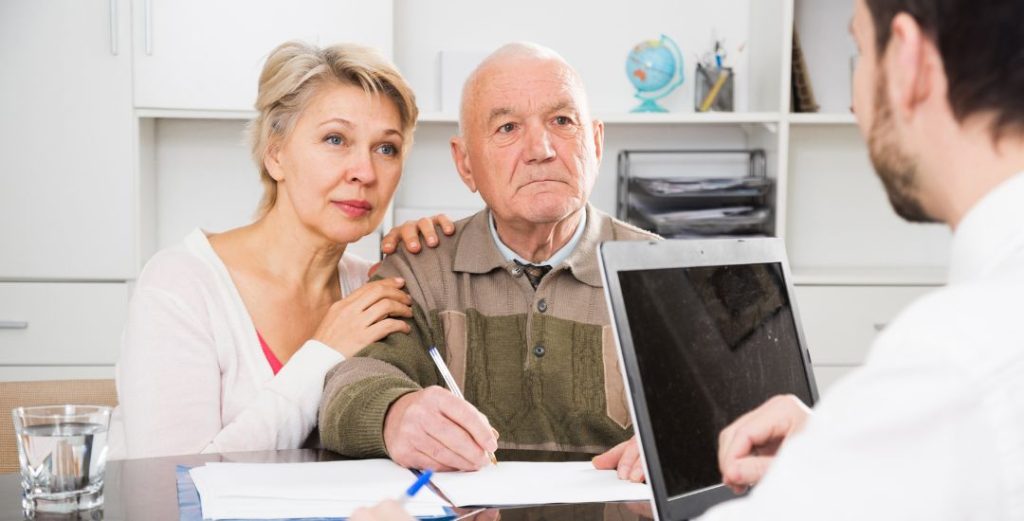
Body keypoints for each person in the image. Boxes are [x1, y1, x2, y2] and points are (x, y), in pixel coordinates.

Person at [601, 0, 1024, 519]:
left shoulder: (963, 352)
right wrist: (830, 446)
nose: (853, 104)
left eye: (859, 50)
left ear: (908, 63)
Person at [317, 42, 658, 472]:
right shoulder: (418, 269)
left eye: (562, 121)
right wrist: (395, 414)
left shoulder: (663, 273)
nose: (541, 148)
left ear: (595, 142)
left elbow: (740, 412)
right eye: (508, 128)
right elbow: (348, 386)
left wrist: (687, 441)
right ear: (465, 165)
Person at [110, 41, 448, 459]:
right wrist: (324, 354)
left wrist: (436, 263)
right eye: (335, 139)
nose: (365, 172)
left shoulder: (373, 289)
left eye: (386, 149)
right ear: (275, 154)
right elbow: (176, 481)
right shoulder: (181, 286)